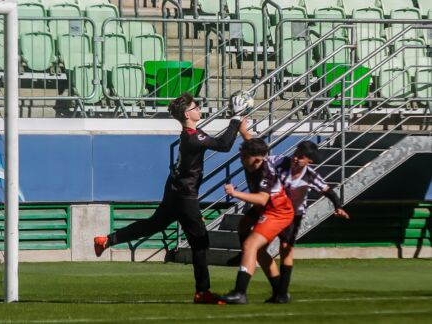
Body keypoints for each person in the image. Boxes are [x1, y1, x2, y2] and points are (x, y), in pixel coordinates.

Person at [93, 93, 248, 304]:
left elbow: (219, 143)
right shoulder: (194, 137)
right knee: (200, 242)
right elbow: (224, 145)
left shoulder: (190, 134)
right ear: (187, 114)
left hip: (175, 191)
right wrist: (236, 117)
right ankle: (202, 292)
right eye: (196, 106)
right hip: (185, 195)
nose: (198, 108)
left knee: (153, 225)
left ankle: (107, 240)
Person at [236, 129, 350, 304]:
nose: (296, 158)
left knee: (285, 248)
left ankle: (282, 291)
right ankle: (248, 253)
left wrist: (338, 207)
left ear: (309, 161)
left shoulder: (310, 175)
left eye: (301, 157)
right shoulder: (281, 161)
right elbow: (260, 154)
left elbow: (328, 191)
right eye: (296, 154)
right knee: (244, 225)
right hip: (270, 206)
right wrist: (245, 135)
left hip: (293, 214)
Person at [222, 138, 295, 304]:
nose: (240, 159)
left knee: (251, 245)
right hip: (267, 208)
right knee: (247, 232)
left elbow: (262, 199)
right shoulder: (255, 160)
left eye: (243, 156)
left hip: (277, 211)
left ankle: (240, 293)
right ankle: (280, 293)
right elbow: (252, 142)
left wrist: (235, 194)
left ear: (255, 158)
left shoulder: (266, 173)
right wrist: (242, 128)